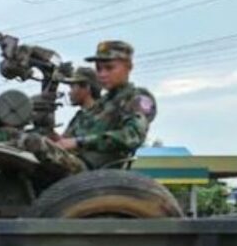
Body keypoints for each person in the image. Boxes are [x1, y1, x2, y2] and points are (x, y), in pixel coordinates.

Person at [13, 41, 156, 175]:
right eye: (99, 69)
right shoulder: (101, 104)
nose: (102, 74)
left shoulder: (137, 97)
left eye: (109, 68)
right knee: (15, 138)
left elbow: (132, 136)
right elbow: (65, 141)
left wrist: (77, 142)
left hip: (94, 171)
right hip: (76, 162)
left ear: (128, 67)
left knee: (32, 142)